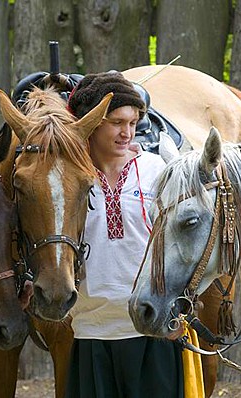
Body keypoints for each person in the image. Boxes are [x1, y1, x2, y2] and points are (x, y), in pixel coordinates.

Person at [64, 71, 185, 398]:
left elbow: (181, 247)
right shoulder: (70, 179)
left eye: (132, 123)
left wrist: (183, 309)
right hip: (92, 332)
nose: (127, 132)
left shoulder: (158, 170)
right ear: (91, 123)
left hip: (152, 330)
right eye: (116, 122)